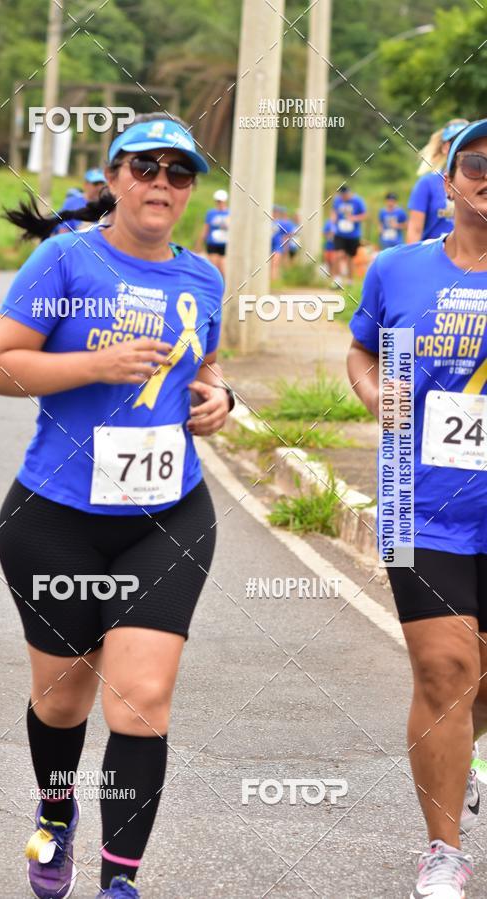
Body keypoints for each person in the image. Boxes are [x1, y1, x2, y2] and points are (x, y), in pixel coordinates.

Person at [0, 112, 233, 899]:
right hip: (55, 517)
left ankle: (119, 881)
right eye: (145, 167)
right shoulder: (65, 258)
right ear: (113, 176)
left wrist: (218, 398)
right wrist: (94, 363)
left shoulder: (203, 277)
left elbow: (204, 368)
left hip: (168, 515)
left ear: (191, 188)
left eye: (179, 172)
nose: (162, 182)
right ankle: (55, 811)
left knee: (143, 696)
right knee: (64, 695)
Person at [346, 118, 487, 899]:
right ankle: (443, 851)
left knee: (478, 686)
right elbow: (360, 350)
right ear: (452, 177)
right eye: (478, 163)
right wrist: (374, 392)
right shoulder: (398, 269)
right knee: (444, 671)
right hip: (418, 502)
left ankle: (462, 754)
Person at [407, 119, 469, 244]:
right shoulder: (426, 183)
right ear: (445, 148)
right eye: (455, 141)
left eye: (466, 142)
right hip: (431, 256)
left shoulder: (479, 183)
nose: (461, 147)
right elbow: (414, 229)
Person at [330, 184, 367, 285]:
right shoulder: (337, 200)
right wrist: (333, 220)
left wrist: (354, 218)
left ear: (349, 193)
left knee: (350, 257)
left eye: (344, 195)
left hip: (353, 234)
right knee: (338, 255)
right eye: (341, 195)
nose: (343, 197)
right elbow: (334, 212)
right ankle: (337, 279)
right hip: (340, 233)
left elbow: (364, 215)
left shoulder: (358, 201)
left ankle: (350, 280)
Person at [53, 168, 108, 235]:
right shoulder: (71, 203)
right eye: (95, 184)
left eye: (102, 184)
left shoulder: (108, 205)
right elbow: (63, 231)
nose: (99, 188)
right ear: (85, 185)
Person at [197, 188, 229, 276]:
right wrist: (200, 243)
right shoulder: (211, 213)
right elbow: (206, 228)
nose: (219, 203)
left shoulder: (229, 213)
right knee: (214, 268)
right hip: (212, 244)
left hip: (225, 244)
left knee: (223, 267)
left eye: (221, 201)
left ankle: (225, 287)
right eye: (217, 201)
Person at [270, 205, 298, 279]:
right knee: (272, 265)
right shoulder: (271, 221)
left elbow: (288, 235)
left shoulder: (284, 222)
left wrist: (285, 248)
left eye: (276, 211)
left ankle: (275, 279)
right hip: (270, 245)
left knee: (275, 264)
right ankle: (274, 278)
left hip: (278, 246)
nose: (275, 213)